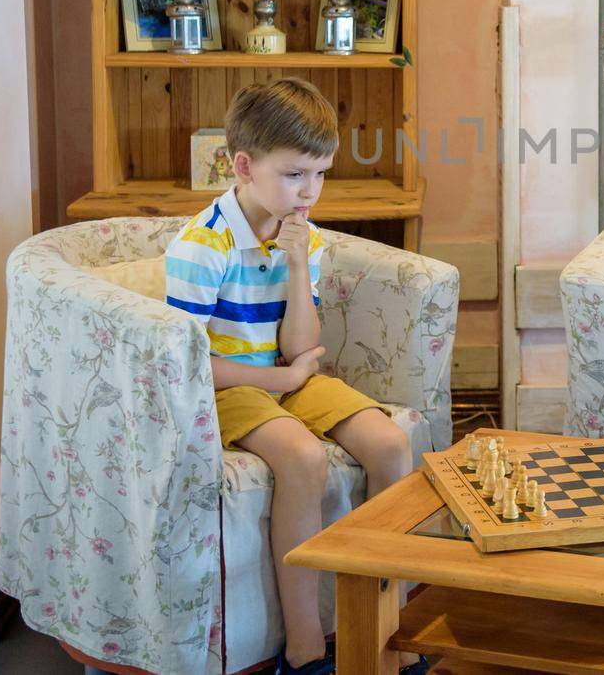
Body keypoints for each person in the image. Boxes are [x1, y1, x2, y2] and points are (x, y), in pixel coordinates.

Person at [165, 79, 416, 675]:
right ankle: (304, 650)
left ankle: (379, 629)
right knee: (302, 458)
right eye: (296, 174)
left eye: (321, 174)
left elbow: (301, 348)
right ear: (244, 166)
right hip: (225, 388)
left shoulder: (303, 235)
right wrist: (283, 382)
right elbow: (186, 364)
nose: (311, 192)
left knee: (390, 445)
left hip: (285, 373)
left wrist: (299, 262)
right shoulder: (203, 246)